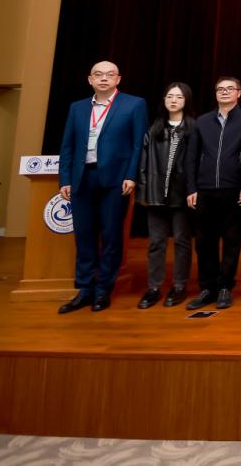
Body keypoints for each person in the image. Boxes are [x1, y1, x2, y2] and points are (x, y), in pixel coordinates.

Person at [55, 61, 147, 313]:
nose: (104, 78)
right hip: (82, 178)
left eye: (109, 75)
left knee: (110, 234)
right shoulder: (77, 108)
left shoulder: (134, 104)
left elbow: (138, 144)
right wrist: (65, 179)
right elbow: (67, 145)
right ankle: (85, 289)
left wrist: (131, 175)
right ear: (90, 79)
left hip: (116, 179)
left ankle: (103, 289)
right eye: (98, 74)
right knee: (84, 235)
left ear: (118, 79)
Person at [186, 77, 241, 310]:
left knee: (232, 240)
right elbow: (192, 157)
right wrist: (191, 188)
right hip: (204, 189)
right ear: (215, 93)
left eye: (230, 89)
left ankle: (225, 286)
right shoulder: (202, 121)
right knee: (204, 241)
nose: (225, 92)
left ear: (239, 92)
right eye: (220, 89)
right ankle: (207, 287)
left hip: (234, 189)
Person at [135, 82, 198, 309]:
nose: (173, 100)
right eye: (170, 96)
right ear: (164, 100)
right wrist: (144, 192)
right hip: (155, 194)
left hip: (181, 195)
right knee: (156, 242)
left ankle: (179, 285)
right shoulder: (154, 128)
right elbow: (143, 163)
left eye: (179, 97)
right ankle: (153, 287)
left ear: (186, 100)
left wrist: (193, 190)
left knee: (182, 241)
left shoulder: (193, 128)